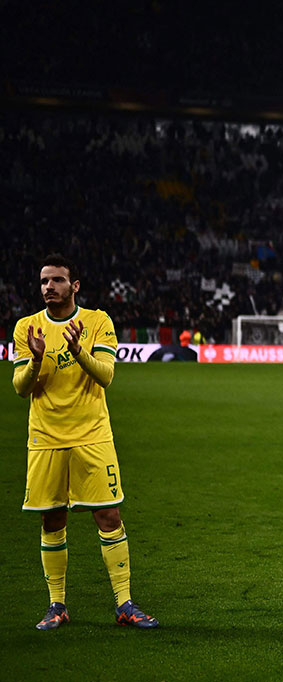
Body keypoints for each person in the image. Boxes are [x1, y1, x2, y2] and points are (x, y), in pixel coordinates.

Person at [12, 254, 158, 630]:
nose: (49, 287)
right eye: (44, 280)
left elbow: (107, 376)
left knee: (109, 515)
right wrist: (35, 360)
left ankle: (124, 604)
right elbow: (20, 388)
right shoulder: (27, 327)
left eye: (58, 280)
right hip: (46, 438)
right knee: (52, 519)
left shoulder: (96, 322)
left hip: (92, 435)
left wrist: (78, 352)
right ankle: (56, 605)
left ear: (74, 286)